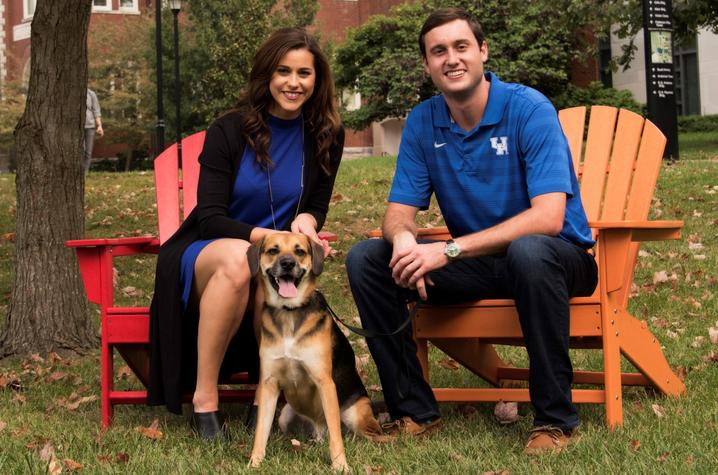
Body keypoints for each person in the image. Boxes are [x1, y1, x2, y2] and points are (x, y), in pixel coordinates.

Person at [346, 8, 597, 454]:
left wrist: (448, 250)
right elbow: (398, 212)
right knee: (368, 258)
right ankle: (414, 411)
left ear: (482, 51)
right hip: (479, 263)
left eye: (461, 47)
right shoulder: (424, 122)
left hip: (558, 259)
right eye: (438, 51)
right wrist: (404, 240)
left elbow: (548, 217)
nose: (451, 59)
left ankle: (554, 420)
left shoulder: (529, 109)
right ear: (427, 65)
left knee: (529, 250)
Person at [148, 27, 344, 440]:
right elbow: (211, 217)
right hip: (206, 250)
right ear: (266, 75)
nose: (293, 83)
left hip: (273, 256)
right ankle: (204, 400)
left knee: (264, 266)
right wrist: (265, 237)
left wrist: (308, 222)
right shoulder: (230, 129)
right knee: (243, 259)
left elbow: (317, 203)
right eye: (283, 71)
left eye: (304, 73)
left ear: (317, 79)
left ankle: (264, 400)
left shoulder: (326, 133)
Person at [84, 88, 103, 172]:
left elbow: (96, 111)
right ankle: (76, 173)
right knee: (81, 149)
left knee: (88, 152)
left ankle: (85, 173)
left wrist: (99, 126)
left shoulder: (91, 94)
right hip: (76, 127)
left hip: (90, 126)